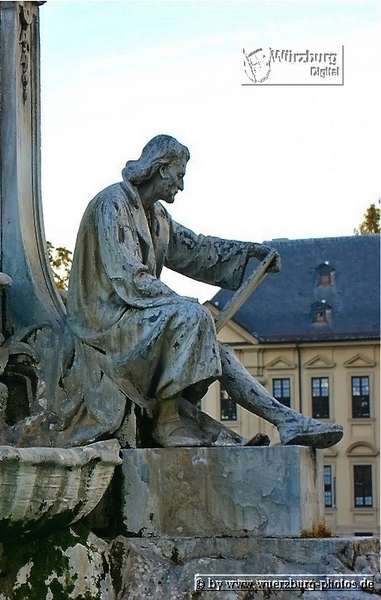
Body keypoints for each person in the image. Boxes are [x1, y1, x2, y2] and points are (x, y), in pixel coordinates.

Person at [64, 134, 342, 448]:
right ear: (162, 169)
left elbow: (197, 250)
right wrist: (182, 308)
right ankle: (168, 424)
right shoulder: (112, 203)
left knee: (218, 351)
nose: (181, 185)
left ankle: (286, 421)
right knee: (193, 316)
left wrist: (248, 252)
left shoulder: (157, 216)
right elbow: (127, 275)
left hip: (133, 315)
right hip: (103, 322)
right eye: (180, 175)